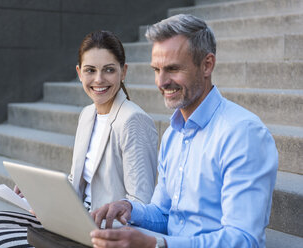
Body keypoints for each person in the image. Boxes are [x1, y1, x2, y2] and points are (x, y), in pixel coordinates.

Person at [0, 30, 158, 248]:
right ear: (79, 73)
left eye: (109, 70)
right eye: (90, 70)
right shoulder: (88, 114)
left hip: (102, 231)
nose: (98, 79)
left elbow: (140, 203)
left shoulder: (133, 120)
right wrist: (41, 194)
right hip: (73, 220)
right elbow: (77, 182)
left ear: (123, 72)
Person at [90, 14, 278, 248]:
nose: (161, 82)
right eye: (156, 70)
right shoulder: (173, 134)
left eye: (173, 69)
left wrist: (157, 244)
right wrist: (130, 209)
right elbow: (165, 215)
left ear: (207, 65)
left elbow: (243, 239)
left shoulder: (243, 134)